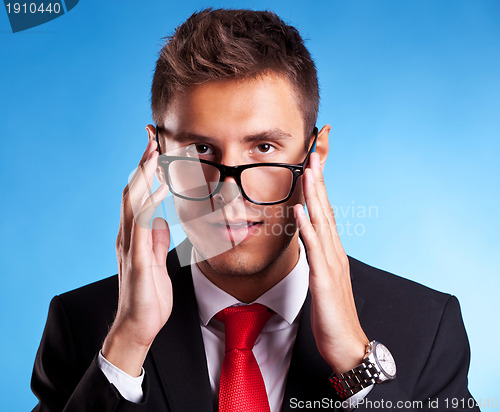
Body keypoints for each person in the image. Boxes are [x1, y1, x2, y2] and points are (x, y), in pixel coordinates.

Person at [31, 8, 478, 412]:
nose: (228, 197)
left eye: (264, 147)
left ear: (314, 154)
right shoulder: (83, 325)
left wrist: (356, 363)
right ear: (157, 153)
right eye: (201, 149)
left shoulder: (426, 326)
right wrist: (127, 344)